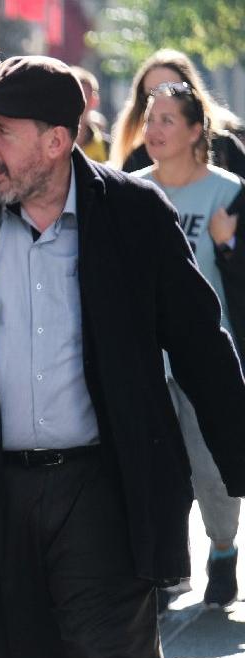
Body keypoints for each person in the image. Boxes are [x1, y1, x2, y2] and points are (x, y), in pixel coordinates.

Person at [0, 55, 245, 658]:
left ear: (57, 140)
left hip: (103, 487)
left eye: (1, 131)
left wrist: (237, 456)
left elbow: (201, 344)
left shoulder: (134, 216)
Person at [131, 81, 244, 609]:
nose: (153, 130)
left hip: (208, 354)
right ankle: (162, 569)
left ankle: (223, 551)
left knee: (212, 465)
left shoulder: (228, 192)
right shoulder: (128, 192)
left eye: (167, 120)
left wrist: (228, 245)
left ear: (197, 131)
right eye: (150, 119)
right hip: (144, 356)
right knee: (155, 465)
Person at [110, 48, 245, 177]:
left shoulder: (226, 148)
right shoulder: (136, 162)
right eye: (151, 95)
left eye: (172, 91)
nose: (161, 102)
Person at [71, 66, 110, 163]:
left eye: (83, 97)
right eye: (72, 97)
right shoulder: (49, 144)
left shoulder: (108, 148)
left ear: (94, 101)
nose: (76, 104)